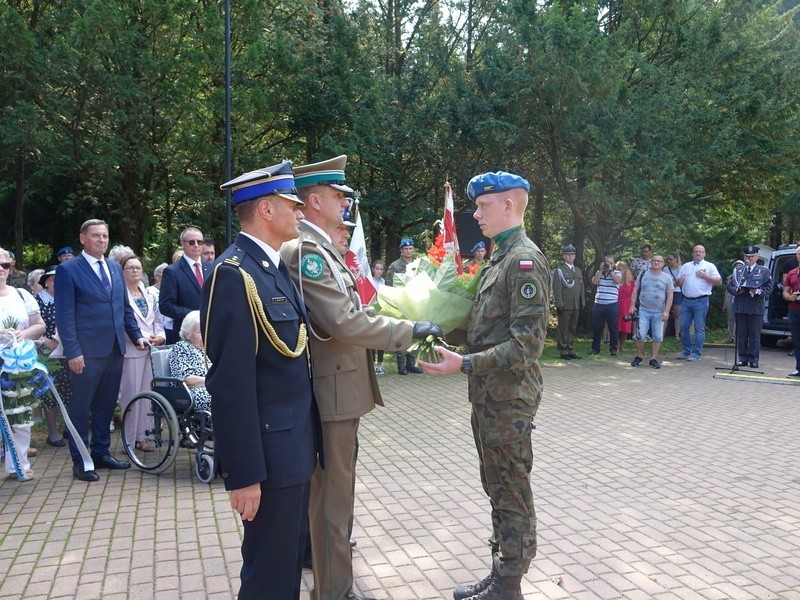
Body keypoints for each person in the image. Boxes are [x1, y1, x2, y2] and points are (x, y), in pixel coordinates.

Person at [280, 154, 441, 600]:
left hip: (340, 389)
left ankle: (335, 586)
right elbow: (343, 323)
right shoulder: (307, 252)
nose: (345, 203)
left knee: (337, 498)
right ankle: (333, 592)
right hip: (331, 392)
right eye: (338, 196)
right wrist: (409, 331)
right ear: (314, 201)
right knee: (333, 501)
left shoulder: (322, 249)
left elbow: (351, 315)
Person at [419, 171, 550, 600]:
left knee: (510, 489)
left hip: (509, 399)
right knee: (496, 487)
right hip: (491, 398)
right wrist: (440, 333)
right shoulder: (499, 258)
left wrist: (465, 363)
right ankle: (501, 573)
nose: (476, 214)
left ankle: (509, 585)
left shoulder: (524, 261)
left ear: (508, 206)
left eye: (483, 206)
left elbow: (526, 345)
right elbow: (487, 327)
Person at [202, 160, 324, 599]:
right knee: (267, 574)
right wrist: (244, 475)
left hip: (292, 449)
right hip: (268, 461)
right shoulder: (233, 275)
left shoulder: (272, 268)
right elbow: (230, 385)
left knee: (286, 566)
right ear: (267, 210)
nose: (301, 212)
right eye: (293, 205)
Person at [54, 219, 147, 482]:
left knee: (106, 406)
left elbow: (124, 309)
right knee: (81, 408)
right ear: (83, 238)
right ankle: (81, 461)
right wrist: (73, 351)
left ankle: (101, 453)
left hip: (115, 349)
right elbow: (65, 316)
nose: (101, 241)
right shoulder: (69, 270)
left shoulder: (115, 269)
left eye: (105, 236)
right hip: (86, 352)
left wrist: (136, 335)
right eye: (95, 236)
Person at [0, 247, 47, 479]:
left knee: (20, 416)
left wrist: (22, 335)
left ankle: (18, 465)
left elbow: (39, 325)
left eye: (5, 265)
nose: (1, 269)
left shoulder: (21, 294)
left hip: (18, 364)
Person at [118, 254, 166, 453]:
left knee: (147, 395)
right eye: (130, 268)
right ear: (122, 271)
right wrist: (143, 337)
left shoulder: (148, 294)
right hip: (132, 350)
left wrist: (161, 336)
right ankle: (128, 441)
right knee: (131, 396)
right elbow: (123, 324)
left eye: (138, 267)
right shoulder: (120, 294)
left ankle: (143, 437)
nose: (135, 271)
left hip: (150, 351)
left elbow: (156, 319)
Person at [35, 265, 72, 447]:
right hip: (47, 353)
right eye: (56, 280)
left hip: (68, 351)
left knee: (69, 390)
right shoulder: (38, 301)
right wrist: (44, 340)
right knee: (51, 392)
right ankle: (52, 431)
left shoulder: (67, 299)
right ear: (47, 282)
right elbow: (31, 325)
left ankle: (68, 427)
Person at [159, 227, 211, 344]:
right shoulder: (172, 271)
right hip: (187, 335)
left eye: (200, 242)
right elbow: (165, 306)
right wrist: (193, 315)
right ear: (183, 244)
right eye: (192, 242)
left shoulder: (211, 268)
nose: (196, 245)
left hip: (210, 332)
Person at [727, 245, 773, 368]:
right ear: (744, 256)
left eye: (752, 256)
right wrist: (737, 291)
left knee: (754, 335)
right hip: (741, 306)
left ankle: (753, 359)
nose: (750, 258)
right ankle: (742, 358)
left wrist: (757, 292)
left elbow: (769, 288)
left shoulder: (764, 271)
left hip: (755, 307)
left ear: (757, 256)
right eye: (747, 256)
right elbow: (730, 286)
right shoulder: (738, 271)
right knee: (741, 334)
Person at [674, 245, 722, 361]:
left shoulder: (709, 266)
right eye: (696, 251)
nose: (698, 253)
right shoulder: (686, 266)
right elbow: (677, 282)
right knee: (684, 326)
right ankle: (686, 351)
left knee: (699, 327)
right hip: (686, 300)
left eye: (700, 251)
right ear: (692, 253)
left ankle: (696, 353)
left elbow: (719, 281)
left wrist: (706, 276)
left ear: (704, 254)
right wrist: (678, 281)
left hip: (701, 300)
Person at [385, 237, 423, 375]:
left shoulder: (419, 264)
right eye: (405, 249)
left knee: (415, 332)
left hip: (416, 302)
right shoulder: (395, 266)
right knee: (402, 331)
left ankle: (411, 362)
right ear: (401, 250)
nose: (408, 251)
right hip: (401, 302)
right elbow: (389, 284)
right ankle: (401, 364)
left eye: (410, 248)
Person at [629, 255, 674, 369]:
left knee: (658, 336)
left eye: (659, 261)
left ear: (663, 264)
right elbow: (635, 290)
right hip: (643, 310)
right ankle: (639, 356)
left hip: (659, 312)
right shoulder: (643, 274)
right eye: (654, 261)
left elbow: (670, 296)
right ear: (651, 262)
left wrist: (667, 311)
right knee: (640, 335)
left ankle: (653, 359)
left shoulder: (667, 278)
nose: (656, 263)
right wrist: (632, 305)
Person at [168, 310, 212, 413]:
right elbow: (186, 380)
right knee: (224, 395)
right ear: (187, 334)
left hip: (209, 387)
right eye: (200, 332)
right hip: (189, 393)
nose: (205, 335)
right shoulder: (181, 347)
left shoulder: (208, 349)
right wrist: (213, 382)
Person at [552, 244, 584, 359]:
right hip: (565, 304)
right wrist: (559, 304)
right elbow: (557, 289)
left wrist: (582, 301)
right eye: (568, 255)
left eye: (572, 255)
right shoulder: (559, 271)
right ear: (564, 256)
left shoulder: (578, 270)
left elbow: (582, 288)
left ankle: (570, 348)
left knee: (572, 328)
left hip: (576, 304)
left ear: (575, 256)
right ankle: (563, 350)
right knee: (563, 328)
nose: (570, 257)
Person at [590, 256, 622, 355]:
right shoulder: (599, 272)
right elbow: (594, 282)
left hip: (612, 304)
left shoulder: (617, 273)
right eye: (606, 263)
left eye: (610, 263)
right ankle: (595, 348)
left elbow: (617, 281)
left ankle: (613, 348)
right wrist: (600, 270)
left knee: (613, 327)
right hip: (599, 304)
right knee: (597, 327)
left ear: (613, 264)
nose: (608, 264)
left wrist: (610, 271)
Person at [781, 246, 800, 377]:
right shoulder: (792, 272)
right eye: (799, 254)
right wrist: (789, 297)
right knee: (797, 340)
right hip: (794, 309)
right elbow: (785, 291)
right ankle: (799, 368)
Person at [615, 261, 636, 353]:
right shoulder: (615, 280)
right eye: (618, 268)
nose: (620, 270)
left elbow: (634, 295)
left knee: (625, 325)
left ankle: (622, 345)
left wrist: (632, 305)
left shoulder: (631, 282)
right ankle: (614, 344)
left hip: (627, 305)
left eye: (622, 268)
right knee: (615, 325)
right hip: (616, 303)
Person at [370, 259, 386, 374]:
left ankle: (379, 364)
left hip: (381, 311)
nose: (379, 271)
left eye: (381, 269)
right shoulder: (369, 282)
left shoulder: (383, 282)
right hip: (371, 311)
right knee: (372, 339)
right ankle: (372, 363)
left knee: (381, 339)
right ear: (373, 269)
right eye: (377, 269)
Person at [723, 260, 744, 344]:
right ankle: (731, 336)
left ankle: (739, 337)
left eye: (740, 265)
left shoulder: (746, 276)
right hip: (730, 298)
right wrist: (724, 304)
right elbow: (727, 290)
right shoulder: (730, 277)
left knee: (740, 319)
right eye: (736, 266)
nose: (737, 267)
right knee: (731, 319)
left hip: (740, 299)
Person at [665, 252, 683, 339]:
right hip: (667, 292)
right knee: (665, 312)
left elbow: (682, 281)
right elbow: (665, 283)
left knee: (677, 314)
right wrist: (675, 283)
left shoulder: (681, 269)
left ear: (676, 259)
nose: (669, 261)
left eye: (671, 259)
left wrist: (674, 283)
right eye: (668, 259)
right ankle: (662, 334)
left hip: (678, 292)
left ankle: (677, 334)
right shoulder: (665, 269)